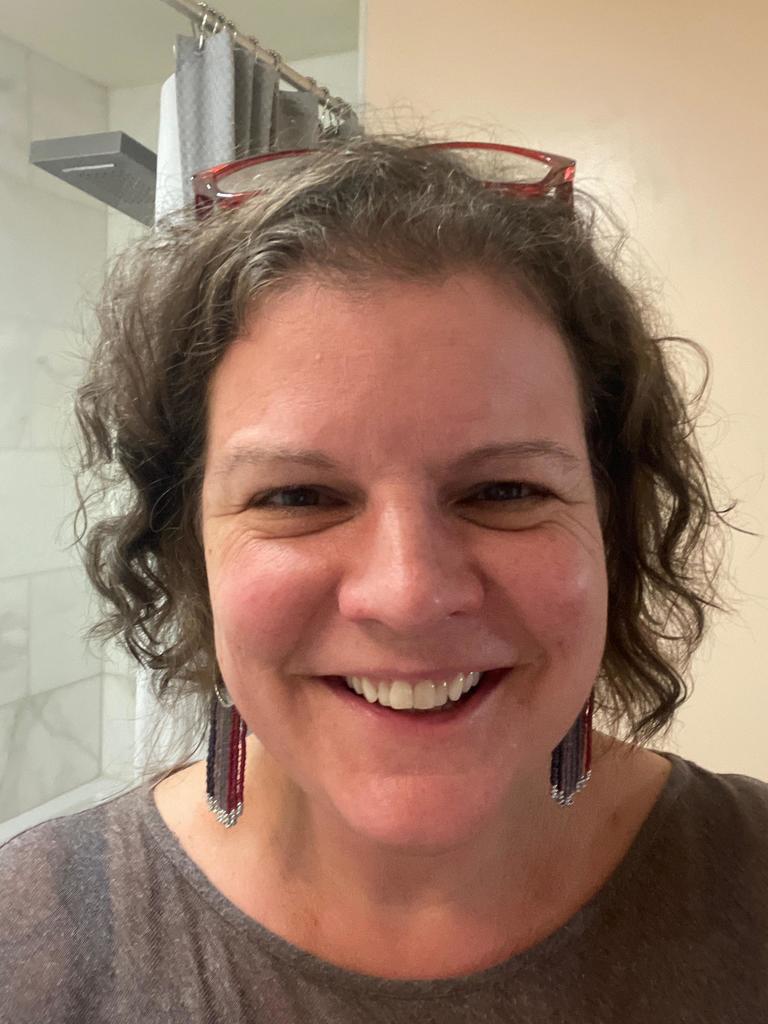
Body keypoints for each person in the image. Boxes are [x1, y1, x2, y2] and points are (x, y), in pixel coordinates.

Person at [0, 133, 766, 1022]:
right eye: (297, 496)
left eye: (505, 490)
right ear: (187, 551)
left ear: (613, 526)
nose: (407, 595)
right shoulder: (28, 947)